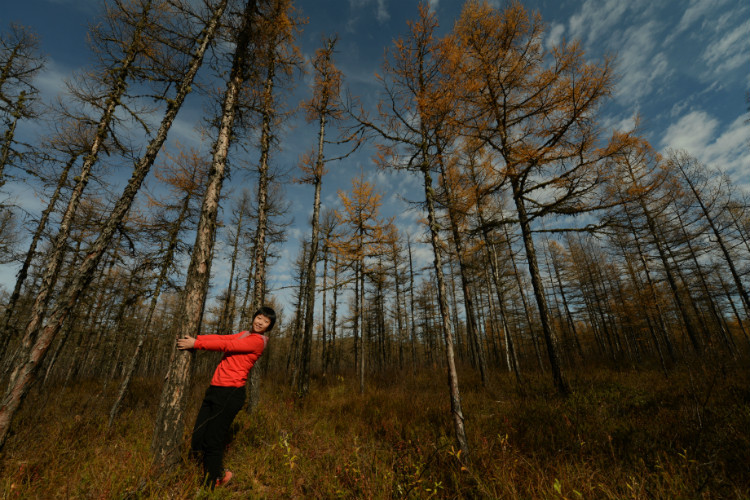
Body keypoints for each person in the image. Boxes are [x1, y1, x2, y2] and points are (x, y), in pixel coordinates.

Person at [177, 305, 276, 489]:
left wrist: (195, 345)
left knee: (213, 439)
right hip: (215, 389)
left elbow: (227, 345)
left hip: (230, 393)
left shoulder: (258, 341)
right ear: (254, 317)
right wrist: (197, 339)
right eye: (259, 317)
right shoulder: (244, 334)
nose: (260, 322)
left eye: (266, 321)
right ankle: (215, 472)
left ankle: (212, 482)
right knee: (198, 437)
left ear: (269, 326)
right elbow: (222, 338)